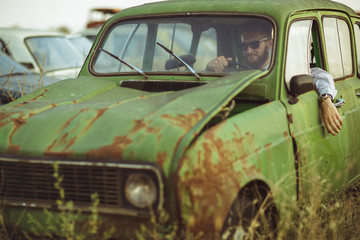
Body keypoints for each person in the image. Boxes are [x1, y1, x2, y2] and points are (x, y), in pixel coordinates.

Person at [205, 20, 343, 136]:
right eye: (244, 46)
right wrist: (210, 69)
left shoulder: (285, 69)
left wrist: (326, 100)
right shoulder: (236, 71)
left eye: (254, 44)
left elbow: (320, 74)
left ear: (269, 43)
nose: (248, 51)